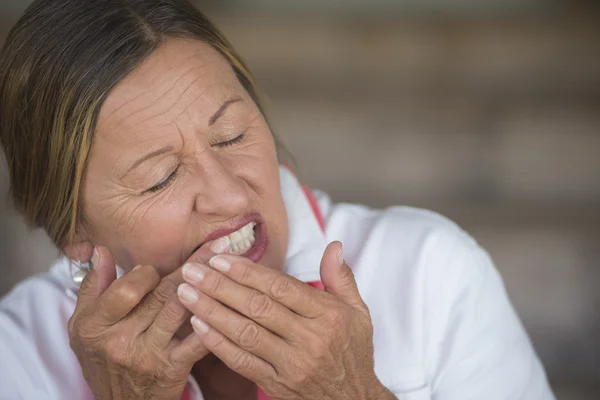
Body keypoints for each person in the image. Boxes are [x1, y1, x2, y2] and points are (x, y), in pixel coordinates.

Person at [0, 0, 556, 399]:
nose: (227, 193)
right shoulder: (18, 353)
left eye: (232, 137)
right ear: (73, 229)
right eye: (161, 178)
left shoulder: (429, 272)